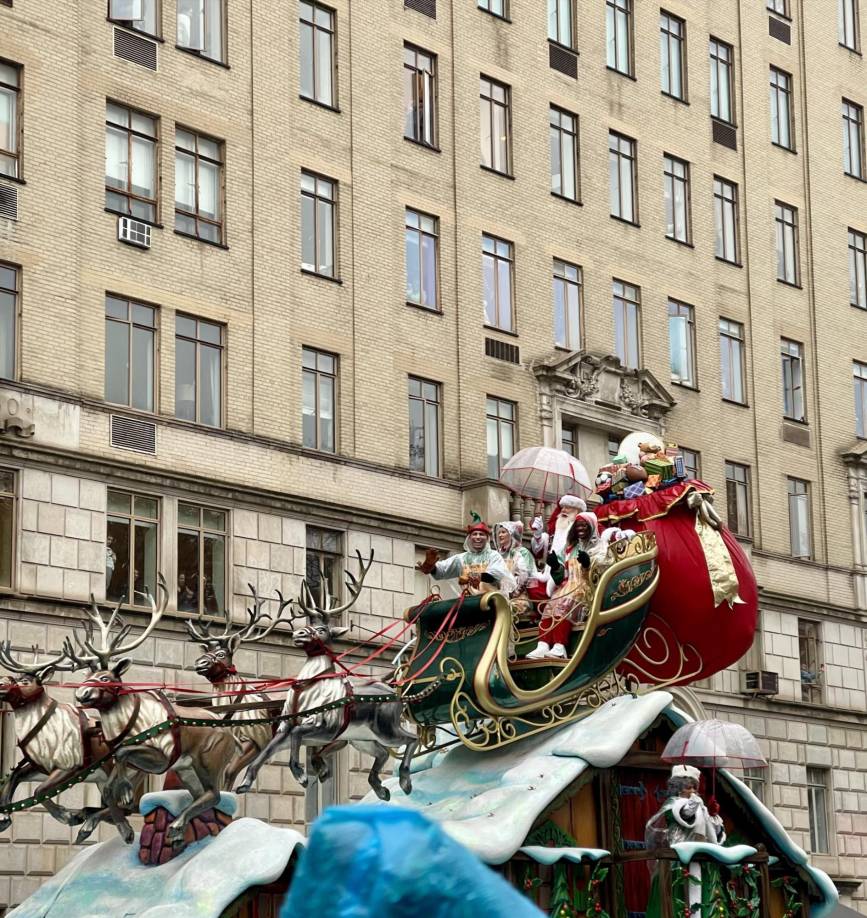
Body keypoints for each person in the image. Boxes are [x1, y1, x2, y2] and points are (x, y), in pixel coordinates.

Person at [645, 765, 727, 918]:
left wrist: (713, 814)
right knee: (682, 901)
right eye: (689, 787)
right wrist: (698, 804)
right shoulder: (673, 804)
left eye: (695, 787)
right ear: (678, 788)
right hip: (678, 863)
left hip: (702, 860)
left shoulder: (700, 806)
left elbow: (713, 835)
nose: (693, 791)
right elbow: (685, 815)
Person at [526, 510, 603, 660]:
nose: (580, 528)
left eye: (584, 525)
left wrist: (588, 564)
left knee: (565, 602)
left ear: (591, 526)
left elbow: (603, 568)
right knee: (551, 605)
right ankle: (543, 644)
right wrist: (555, 566)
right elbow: (561, 574)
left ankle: (560, 646)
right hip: (567, 585)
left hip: (587, 587)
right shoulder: (570, 548)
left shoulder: (598, 547)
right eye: (578, 526)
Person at [416, 514, 515, 597]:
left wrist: (480, 576)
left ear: (487, 538)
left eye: (481, 534)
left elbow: (498, 574)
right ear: (469, 538)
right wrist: (431, 566)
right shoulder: (461, 558)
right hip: (468, 600)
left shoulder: (493, 555)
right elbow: (443, 569)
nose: (478, 537)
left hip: (490, 600)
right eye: (474, 534)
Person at [493, 520, 534, 615]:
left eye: (503, 532)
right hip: (500, 595)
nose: (500, 535)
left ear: (511, 534)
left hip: (518, 597)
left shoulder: (521, 552)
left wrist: (513, 593)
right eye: (499, 533)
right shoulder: (498, 555)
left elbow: (525, 575)